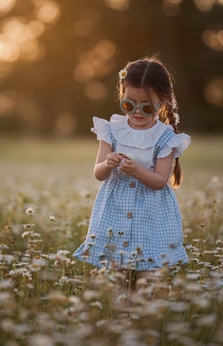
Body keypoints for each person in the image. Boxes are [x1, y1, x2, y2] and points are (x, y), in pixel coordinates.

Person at [73, 56, 191, 275]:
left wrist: (137, 171)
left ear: (162, 103)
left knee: (146, 270)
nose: (137, 112)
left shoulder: (165, 136)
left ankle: (143, 304)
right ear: (122, 96)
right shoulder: (112, 129)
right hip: (115, 208)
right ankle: (121, 306)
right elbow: (98, 173)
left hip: (150, 213)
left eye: (146, 108)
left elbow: (159, 181)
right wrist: (108, 164)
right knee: (119, 269)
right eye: (129, 104)